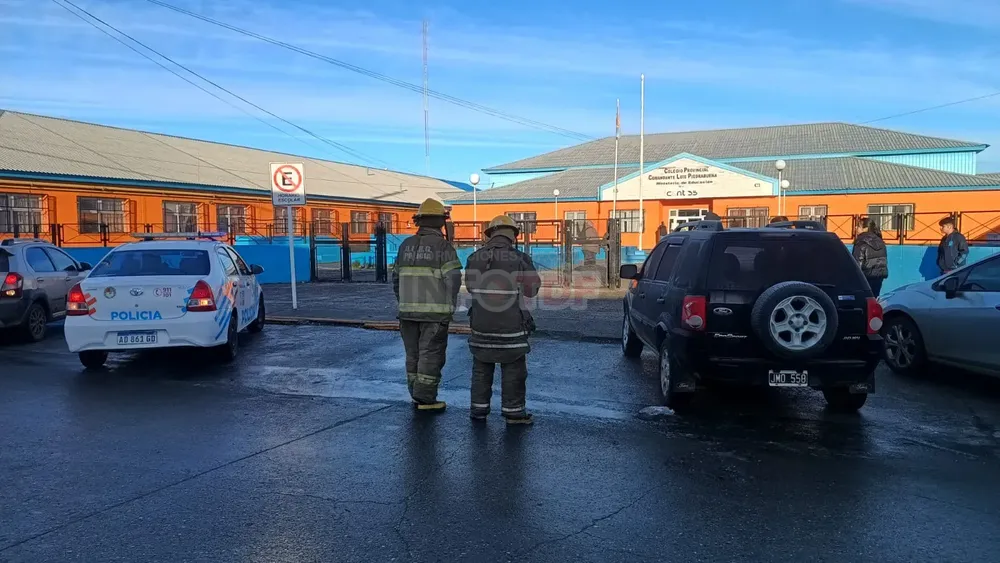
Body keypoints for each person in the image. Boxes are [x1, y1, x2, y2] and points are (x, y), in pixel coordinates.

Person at [464, 215, 541, 425]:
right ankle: (514, 412)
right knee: (514, 368)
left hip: (480, 325)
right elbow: (532, 289)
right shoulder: (520, 258)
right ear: (513, 235)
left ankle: (478, 410)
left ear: (490, 234)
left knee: (481, 367)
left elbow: (471, 287)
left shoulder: (474, 258)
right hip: (511, 327)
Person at [392, 198, 462, 412]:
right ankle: (426, 399)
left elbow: (395, 279)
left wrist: (404, 302)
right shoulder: (443, 247)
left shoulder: (405, 245)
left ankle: (415, 393)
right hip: (434, 314)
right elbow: (454, 278)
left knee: (412, 355)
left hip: (407, 313)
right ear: (442, 222)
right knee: (430, 355)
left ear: (419, 221)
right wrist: (450, 302)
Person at [852, 218, 889, 296]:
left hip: (865, 279)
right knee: (874, 299)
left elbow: (856, 264)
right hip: (879, 277)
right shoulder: (880, 241)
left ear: (865, 228)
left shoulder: (861, 242)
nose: (855, 228)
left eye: (858, 226)